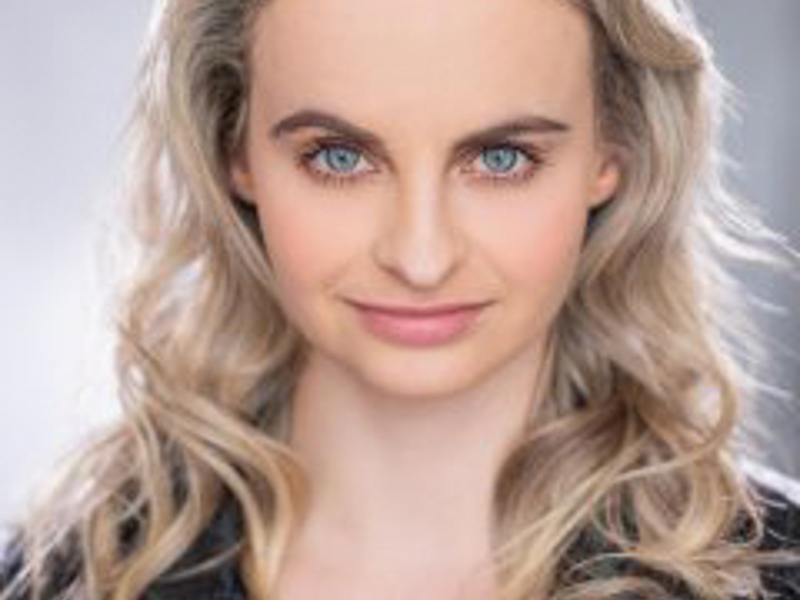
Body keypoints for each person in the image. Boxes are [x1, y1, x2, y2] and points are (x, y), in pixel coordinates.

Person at [2, 0, 799, 599]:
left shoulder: (775, 573)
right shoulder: (67, 577)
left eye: (502, 157)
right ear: (232, 148)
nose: (421, 258)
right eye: (341, 157)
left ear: (612, 151)